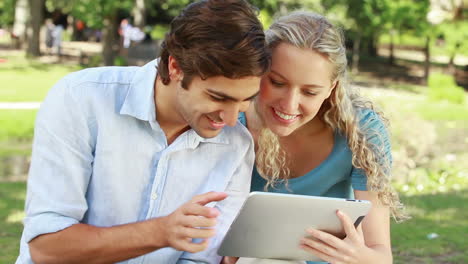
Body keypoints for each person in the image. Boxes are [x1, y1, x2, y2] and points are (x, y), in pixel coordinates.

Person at [15, 1, 270, 263]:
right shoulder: (81, 99)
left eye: (244, 100)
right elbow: (47, 248)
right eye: (218, 97)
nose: (230, 119)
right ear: (175, 67)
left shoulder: (236, 145)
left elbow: (200, 258)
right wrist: (161, 232)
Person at [233, 11, 406, 264]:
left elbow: (380, 256)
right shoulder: (231, 121)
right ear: (259, 71)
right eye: (277, 83)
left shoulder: (361, 131)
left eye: (310, 92)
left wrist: (357, 257)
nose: (290, 105)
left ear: (331, 89)